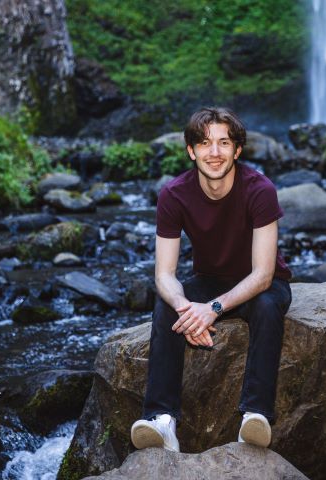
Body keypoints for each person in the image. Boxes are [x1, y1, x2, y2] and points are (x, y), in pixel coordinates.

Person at [130, 107, 292, 452]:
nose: (214, 152)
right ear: (191, 150)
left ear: (237, 150)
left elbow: (263, 274)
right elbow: (164, 274)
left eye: (223, 143)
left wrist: (213, 309)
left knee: (266, 306)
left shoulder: (259, 190)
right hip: (208, 278)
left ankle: (255, 415)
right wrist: (186, 307)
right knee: (166, 306)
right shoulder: (173, 195)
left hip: (261, 283)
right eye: (204, 143)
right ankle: (162, 422)